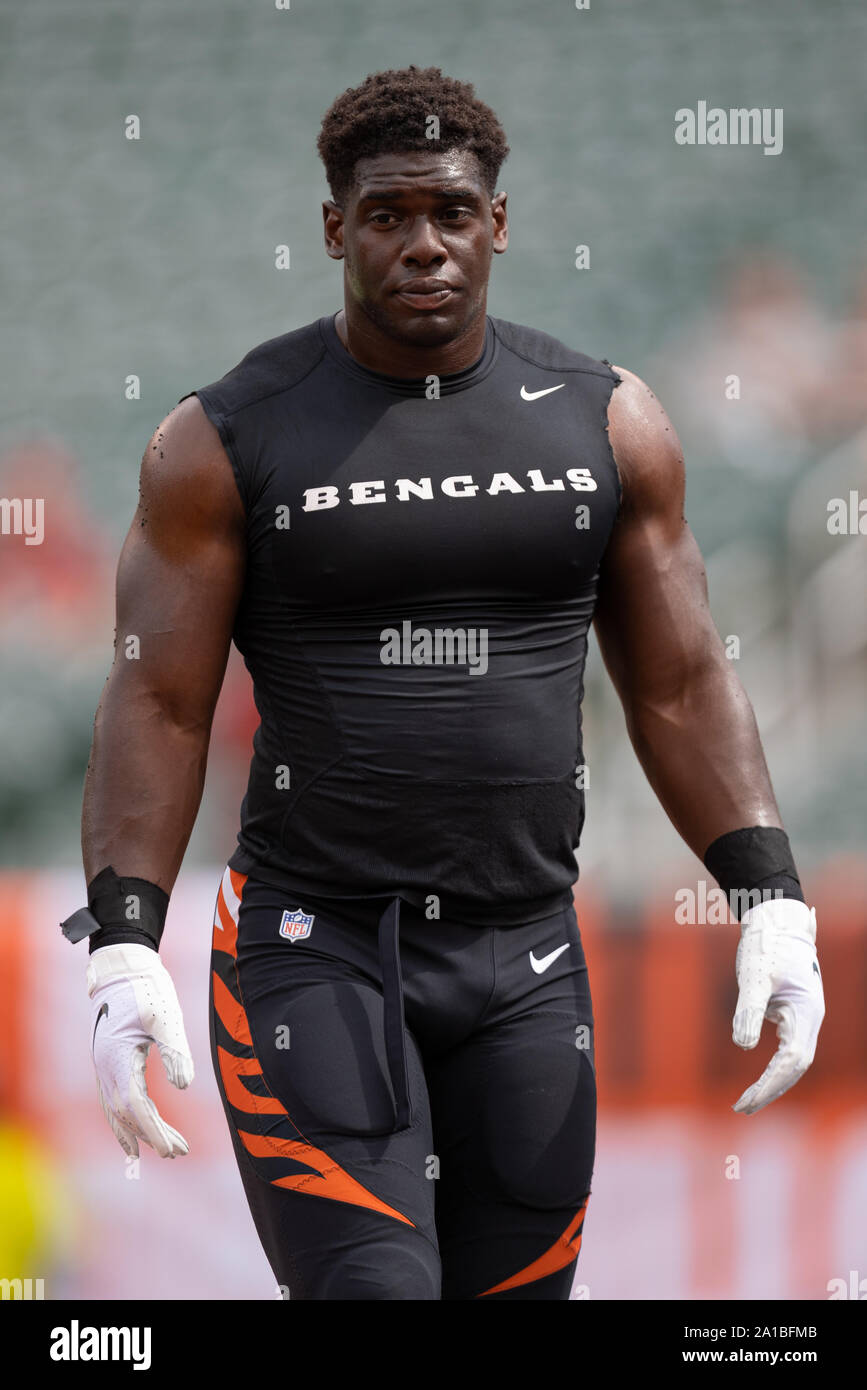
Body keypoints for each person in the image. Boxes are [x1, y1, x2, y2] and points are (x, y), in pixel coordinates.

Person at [63, 66, 824, 1301]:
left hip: (526, 955)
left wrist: (770, 896)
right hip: (312, 946)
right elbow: (156, 699)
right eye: (387, 215)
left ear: (500, 222)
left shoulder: (608, 420)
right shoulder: (226, 437)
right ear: (333, 229)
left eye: (452, 213)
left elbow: (682, 680)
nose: (424, 245)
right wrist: (122, 941)